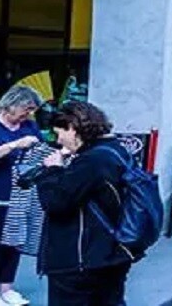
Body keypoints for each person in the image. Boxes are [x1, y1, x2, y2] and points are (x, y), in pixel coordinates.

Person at [35, 101, 132, 305]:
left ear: (72, 128)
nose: (58, 140)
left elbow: (56, 202)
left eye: (59, 133)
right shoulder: (116, 151)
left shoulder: (90, 161)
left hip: (80, 257)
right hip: (113, 251)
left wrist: (52, 170)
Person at [0, 87, 42, 306]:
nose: (29, 114)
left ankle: (7, 288)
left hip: (21, 196)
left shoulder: (30, 127)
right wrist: (13, 145)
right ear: (12, 104)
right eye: (27, 108)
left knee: (14, 243)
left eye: (32, 110)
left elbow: (40, 151)